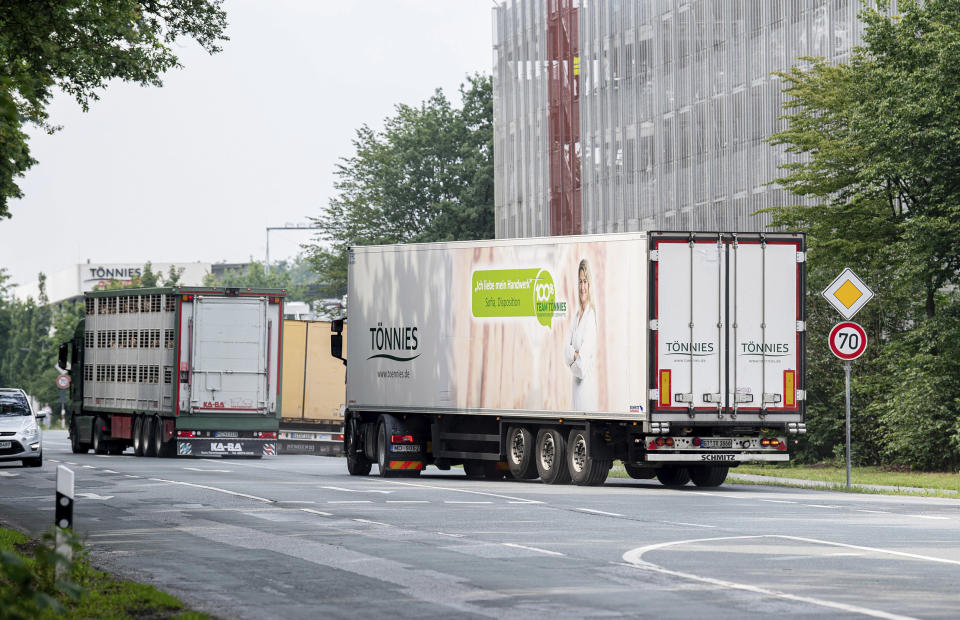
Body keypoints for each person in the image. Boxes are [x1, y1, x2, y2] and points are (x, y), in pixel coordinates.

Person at [564, 258, 598, 411]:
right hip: (575, 391)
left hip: (586, 392)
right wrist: (575, 355)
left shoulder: (591, 316)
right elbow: (565, 351)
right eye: (580, 281)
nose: (582, 286)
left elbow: (582, 368)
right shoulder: (577, 315)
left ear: (590, 284)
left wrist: (574, 357)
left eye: (585, 281)